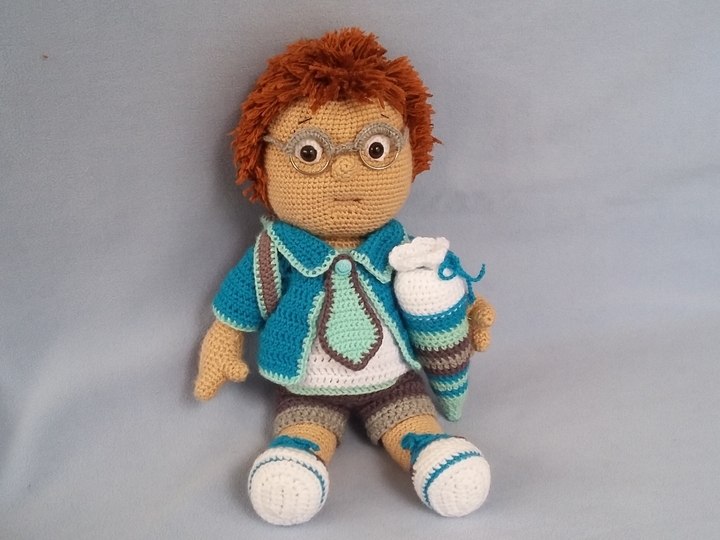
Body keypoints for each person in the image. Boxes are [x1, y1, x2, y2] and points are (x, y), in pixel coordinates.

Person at [194, 28, 495, 526]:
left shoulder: (403, 249)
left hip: (394, 379)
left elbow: (436, 288)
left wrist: (467, 310)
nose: (346, 173)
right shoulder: (277, 251)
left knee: (412, 420)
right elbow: (243, 298)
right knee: (303, 429)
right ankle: (298, 455)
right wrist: (223, 340)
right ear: (264, 164)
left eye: (374, 150)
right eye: (310, 153)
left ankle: (428, 449)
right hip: (307, 385)